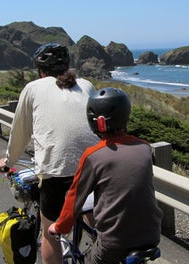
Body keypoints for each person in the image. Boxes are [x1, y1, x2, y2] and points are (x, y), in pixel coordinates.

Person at [0, 43, 98, 264]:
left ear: (41, 71)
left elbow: (20, 133)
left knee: (50, 233)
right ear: (68, 65)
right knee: (91, 204)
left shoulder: (33, 88)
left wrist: (9, 161)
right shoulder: (87, 85)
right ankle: (99, 241)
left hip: (57, 172)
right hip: (97, 167)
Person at [49, 87, 163, 264]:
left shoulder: (93, 155)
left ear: (95, 122)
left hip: (114, 242)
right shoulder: (144, 148)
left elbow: (75, 198)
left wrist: (60, 227)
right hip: (152, 235)